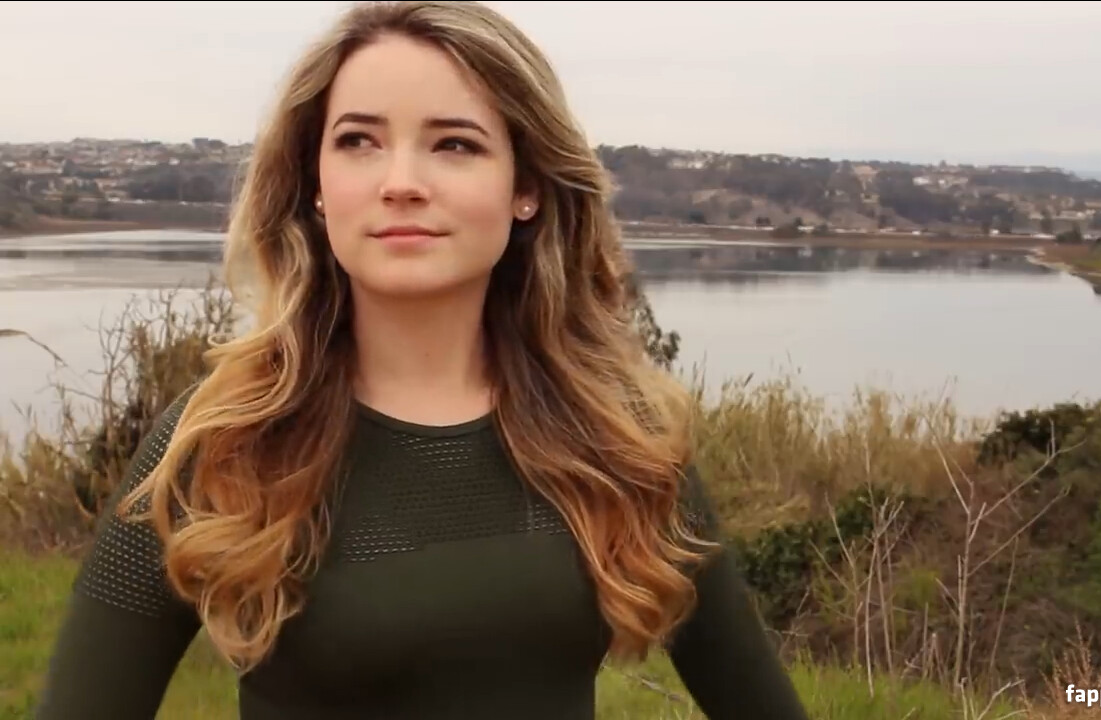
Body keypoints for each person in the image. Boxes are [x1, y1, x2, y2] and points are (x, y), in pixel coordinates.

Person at [36, 1, 811, 718]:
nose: (401, 183)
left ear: (526, 186)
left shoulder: (620, 437)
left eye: (454, 144)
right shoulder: (220, 443)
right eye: (358, 142)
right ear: (314, 184)